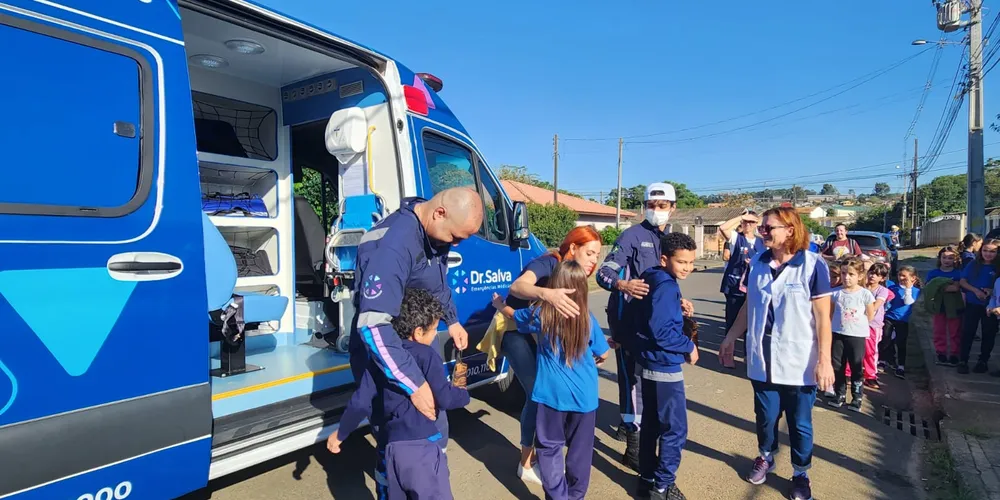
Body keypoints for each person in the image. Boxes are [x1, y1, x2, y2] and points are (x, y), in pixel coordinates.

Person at [718, 206, 834, 500]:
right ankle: (765, 456)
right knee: (766, 416)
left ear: (790, 230)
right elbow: (749, 306)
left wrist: (824, 361)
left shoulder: (812, 264)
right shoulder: (757, 261)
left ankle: (800, 473)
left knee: (800, 422)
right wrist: (731, 337)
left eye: (769, 228)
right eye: (762, 228)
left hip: (800, 361)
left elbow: (823, 317)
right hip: (762, 357)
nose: (763, 233)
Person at [351, 187, 482, 424]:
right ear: (439, 213)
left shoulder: (432, 233)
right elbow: (373, 326)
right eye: (456, 237)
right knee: (397, 432)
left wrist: (452, 321)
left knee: (430, 428)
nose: (457, 244)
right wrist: (415, 385)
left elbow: (434, 284)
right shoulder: (394, 245)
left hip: (411, 341)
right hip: (387, 349)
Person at [328, 288, 471, 500]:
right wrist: (463, 394)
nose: (434, 337)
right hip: (422, 449)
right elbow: (445, 398)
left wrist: (341, 434)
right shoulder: (426, 355)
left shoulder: (379, 360)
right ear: (418, 332)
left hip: (391, 449)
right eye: (433, 331)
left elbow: (360, 403)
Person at [486, 225, 603, 484]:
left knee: (548, 393)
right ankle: (526, 463)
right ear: (573, 248)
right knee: (538, 395)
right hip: (517, 331)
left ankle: (542, 455)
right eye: (590, 253)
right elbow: (518, 286)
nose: (595, 261)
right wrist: (545, 293)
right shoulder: (549, 263)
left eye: (597, 255)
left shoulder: (571, 275)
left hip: (536, 332)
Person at [597, 182, 693, 470]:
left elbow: (663, 282)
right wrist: (621, 283)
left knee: (650, 384)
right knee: (631, 382)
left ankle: (639, 430)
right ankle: (633, 445)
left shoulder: (669, 239)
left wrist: (678, 301)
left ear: (672, 208)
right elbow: (604, 273)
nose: (656, 210)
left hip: (654, 325)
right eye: (651, 205)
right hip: (628, 323)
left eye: (662, 206)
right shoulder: (632, 236)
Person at [633, 233, 700, 500]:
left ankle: (647, 478)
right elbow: (661, 331)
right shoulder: (666, 287)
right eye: (682, 262)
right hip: (664, 366)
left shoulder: (655, 278)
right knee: (674, 429)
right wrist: (689, 346)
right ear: (664, 259)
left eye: (691, 262)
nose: (688, 267)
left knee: (651, 424)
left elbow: (658, 317)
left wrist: (678, 309)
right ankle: (662, 486)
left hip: (650, 362)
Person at [827, 258, 876, 411]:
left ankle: (857, 397)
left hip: (856, 335)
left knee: (856, 366)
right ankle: (839, 394)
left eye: (851, 274)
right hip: (838, 334)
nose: (846, 277)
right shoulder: (835, 293)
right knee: (838, 365)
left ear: (860, 276)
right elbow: (830, 313)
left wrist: (856, 323)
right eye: (843, 273)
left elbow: (870, 314)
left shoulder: (865, 294)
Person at [717, 210, 765, 331]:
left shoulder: (762, 242)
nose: (748, 224)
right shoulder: (736, 238)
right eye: (745, 222)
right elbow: (723, 228)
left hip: (753, 286)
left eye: (751, 222)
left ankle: (746, 348)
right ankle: (729, 346)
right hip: (734, 286)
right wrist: (742, 216)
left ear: (756, 224)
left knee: (751, 323)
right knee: (732, 320)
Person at [958, 239, 1000, 374]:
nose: (988, 254)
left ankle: (983, 361)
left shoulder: (997, 268)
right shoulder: (973, 264)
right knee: (968, 332)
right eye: (985, 250)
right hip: (973, 303)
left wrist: (991, 291)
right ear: (980, 251)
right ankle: (963, 360)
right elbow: (963, 281)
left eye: (993, 251)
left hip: (991, 306)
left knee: (989, 333)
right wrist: (975, 290)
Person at [925, 246, 964, 366]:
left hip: (954, 305)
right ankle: (940, 352)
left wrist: (940, 286)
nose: (947, 260)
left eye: (950, 258)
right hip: (939, 305)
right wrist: (946, 286)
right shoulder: (933, 273)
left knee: (955, 331)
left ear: (956, 260)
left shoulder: (958, 273)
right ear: (940, 258)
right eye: (944, 257)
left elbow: (957, 287)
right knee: (939, 330)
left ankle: (954, 353)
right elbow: (929, 288)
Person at [883, 266, 921, 379]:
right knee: (886, 338)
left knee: (901, 342)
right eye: (900, 275)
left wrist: (908, 288)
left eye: (904, 276)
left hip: (902, 320)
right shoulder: (892, 287)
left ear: (913, 278)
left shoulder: (915, 290)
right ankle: (884, 359)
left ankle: (901, 365)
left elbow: (907, 301)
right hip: (889, 317)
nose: (901, 278)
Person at [862, 263, 893, 388]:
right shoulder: (861, 287)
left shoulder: (882, 291)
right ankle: (850, 373)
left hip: (873, 325)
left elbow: (875, 306)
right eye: (871, 272)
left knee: (871, 351)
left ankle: (870, 376)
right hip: (857, 323)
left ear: (883, 278)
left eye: (877, 274)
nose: (872, 276)